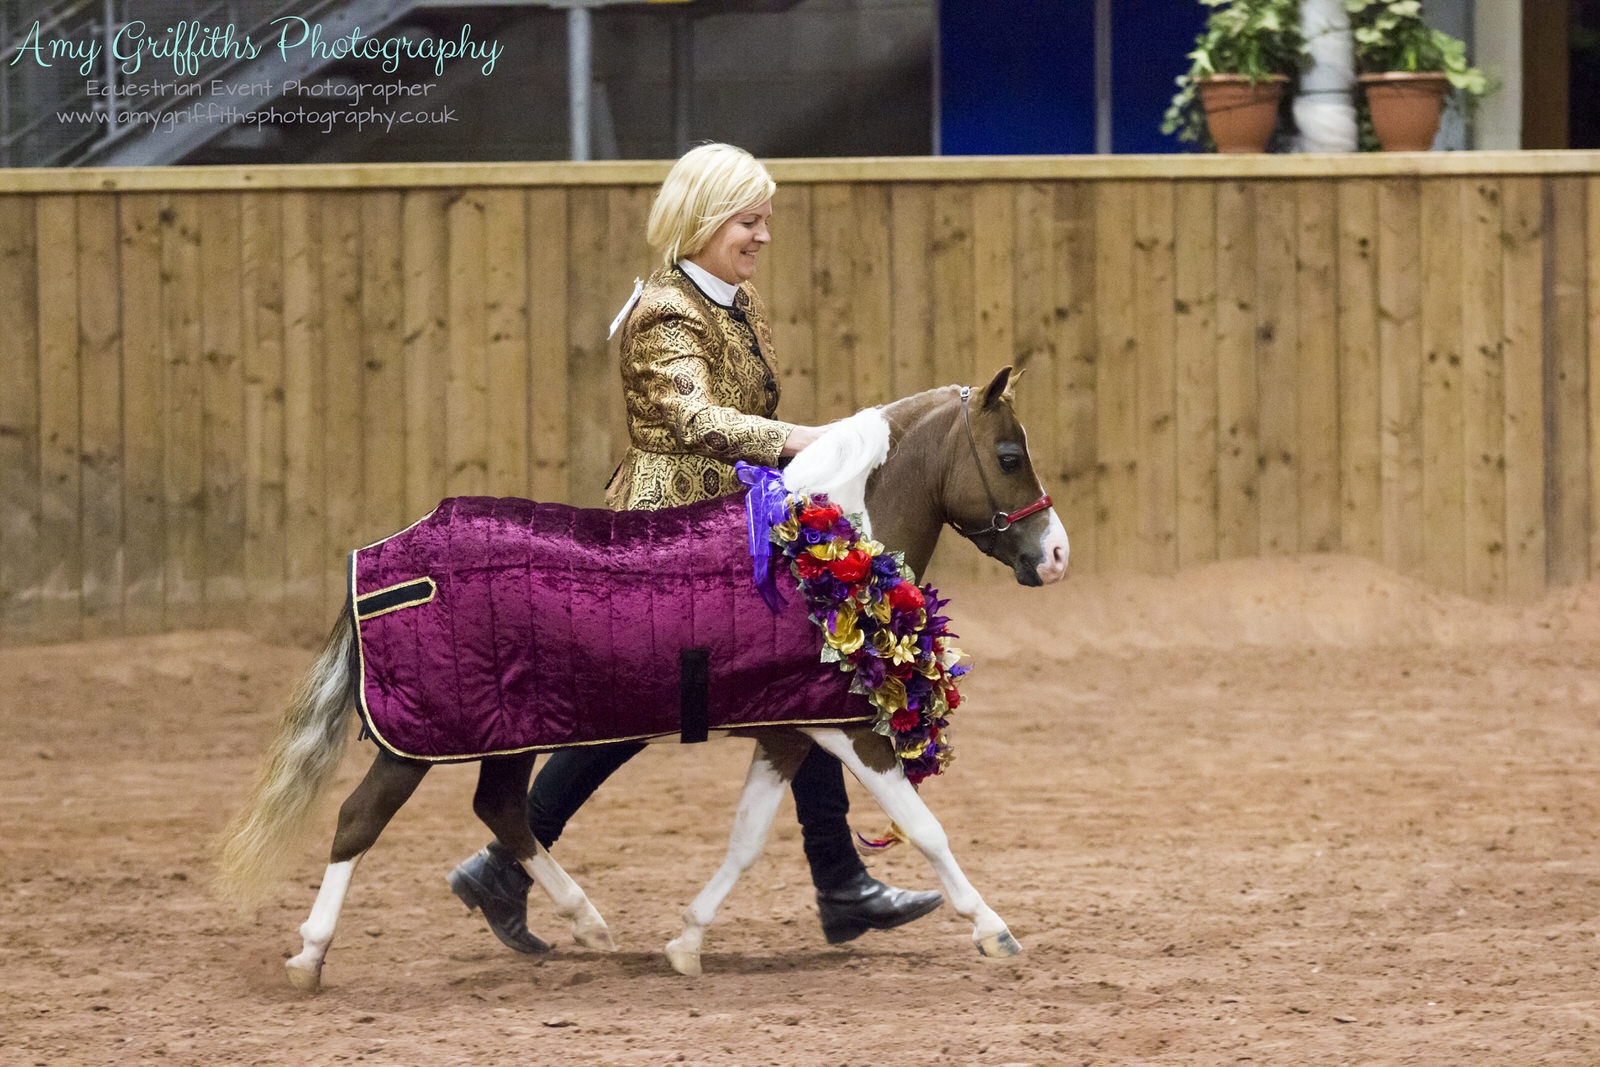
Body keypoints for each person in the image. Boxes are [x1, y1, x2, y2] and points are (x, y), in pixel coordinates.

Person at [446, 143, 942, 952]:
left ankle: (840, 880)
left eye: (765, 220)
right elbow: (692, 419)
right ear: (706, 221)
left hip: (724, 522)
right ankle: (508, 859)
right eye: (750, 221)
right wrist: (807, 440)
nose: (763, 237)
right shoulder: (666, 310)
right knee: (659, 702)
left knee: (804, 674)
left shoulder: (732, 303)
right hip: (664, 533)